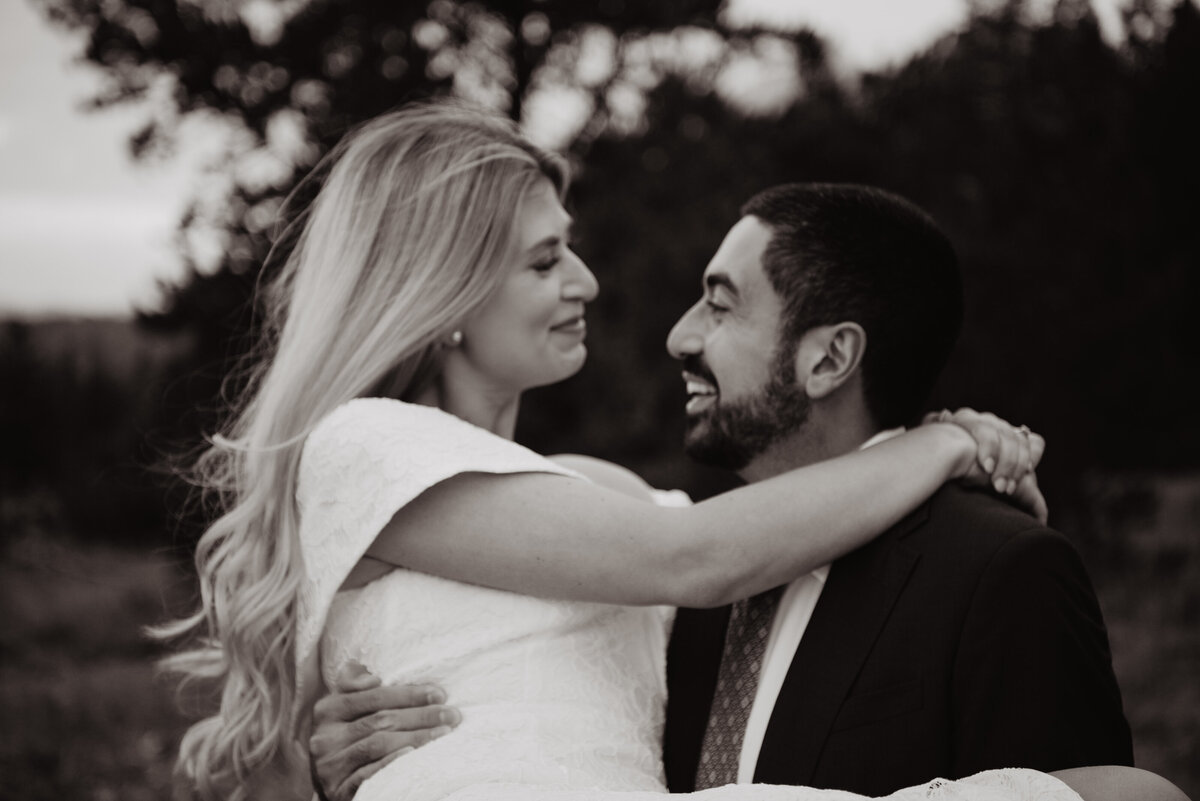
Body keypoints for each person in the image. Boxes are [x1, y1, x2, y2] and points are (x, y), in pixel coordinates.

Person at [161, 102, 1168, 801]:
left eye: (720, 303)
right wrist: (944, 442)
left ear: (833, 359)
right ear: (445, 292)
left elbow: (730, 539)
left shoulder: (598, 503)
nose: (591, 284)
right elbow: (698, 560)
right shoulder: (368, 444)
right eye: (547, 258)